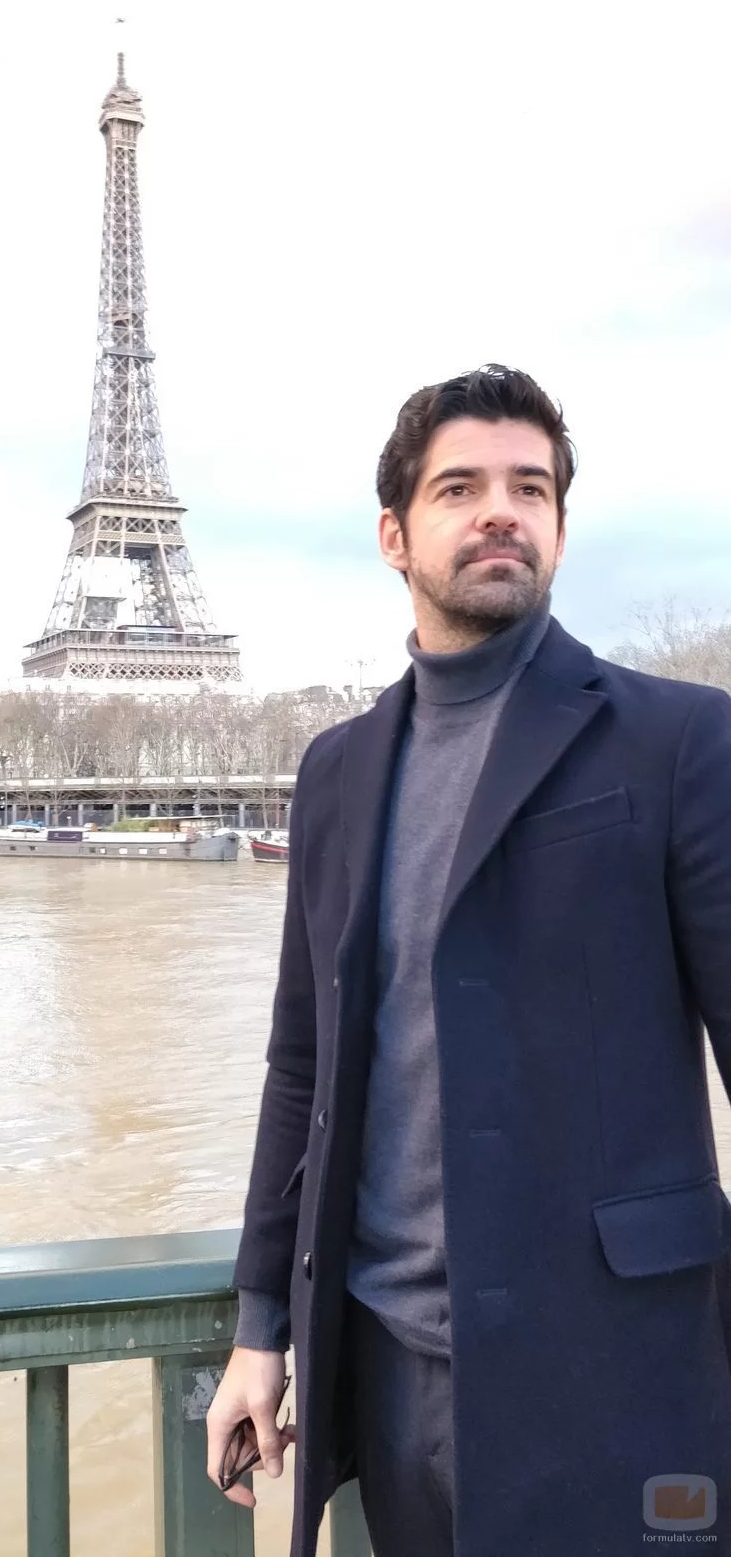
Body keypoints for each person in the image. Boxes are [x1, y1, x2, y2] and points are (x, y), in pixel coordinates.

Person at [206, 364, 731, 1557]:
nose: (500, 509)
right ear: (393, 535)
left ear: (559, 528)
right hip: (386, 1368)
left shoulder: (677, 738)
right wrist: (258, 1326)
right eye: (459, 487)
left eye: (528, 487)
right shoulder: (335, 771)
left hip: (618, 1369)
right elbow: (301, 1065)